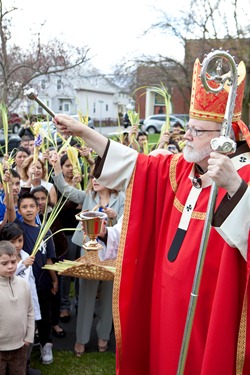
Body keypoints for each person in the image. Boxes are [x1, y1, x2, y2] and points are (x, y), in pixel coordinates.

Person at [53, 55, 250, 374]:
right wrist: (82, 132)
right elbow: (134, 165)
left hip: (210, 314)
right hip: (166, 305)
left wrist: (235, 188)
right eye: (188, 127)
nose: (186, 135)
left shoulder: (243, 178)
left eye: (196, 130)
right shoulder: (180, 170)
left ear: (223, 137)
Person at [50, 154, 125, 356]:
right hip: (88, 252)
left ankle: (103, 337)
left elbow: (126, 224)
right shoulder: (88, 197)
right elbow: (66, 190)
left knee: (109, 297)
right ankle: (81, 339)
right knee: (85, 296)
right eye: (93, 177)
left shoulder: (122, 198)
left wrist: (113, 215)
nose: (94, 181)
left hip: (111, 254)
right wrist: (56, 166)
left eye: (99, 177)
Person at [5, 186, 58, 366]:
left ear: (38, 209)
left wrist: (54, 279)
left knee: (44, 314)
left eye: (32, 206)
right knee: (25, 316)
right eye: (24, 207)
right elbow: (10, 211)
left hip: (42, 283)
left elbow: (50, 258)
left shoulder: (46, 231)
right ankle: (22, 353)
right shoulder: (19, 228)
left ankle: (46, 344)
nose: (28, 210)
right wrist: (7, 185)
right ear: (20, 211)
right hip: (21, 283)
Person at [0, 223, 42, 375]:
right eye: (4, 264)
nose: (11, 267)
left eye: (13, 262)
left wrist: (28, 337)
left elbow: (30, 312)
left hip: (20, 345)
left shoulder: (23, 285)